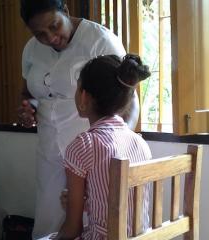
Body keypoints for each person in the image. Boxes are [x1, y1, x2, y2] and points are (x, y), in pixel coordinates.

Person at [17, 0, 139, 237]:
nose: (50, 37)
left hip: (94, 151)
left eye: (54, 26)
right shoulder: (31, 49)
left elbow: (130, 99)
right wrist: (26, 109)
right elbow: (28, 93)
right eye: (39, 33)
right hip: (49, 147)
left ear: (66, 11)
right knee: (49, 214)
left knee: (89, 217)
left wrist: (118, 146)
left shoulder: (100, 41)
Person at [53, 54, 152, 239]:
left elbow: (72, 229)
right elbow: (123, 204)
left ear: (84, 96)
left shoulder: (83, 146)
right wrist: (86, 203)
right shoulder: (140, 143)